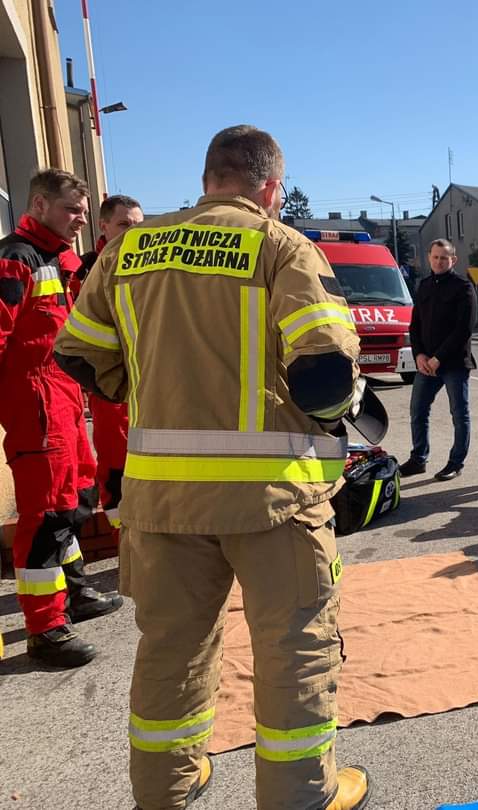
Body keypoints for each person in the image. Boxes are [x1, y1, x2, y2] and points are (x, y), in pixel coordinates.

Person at [54, 126, 371, 809]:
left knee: (172, 650)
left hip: (162, 500)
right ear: (271, 188)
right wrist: (345, 408)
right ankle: (299, 796)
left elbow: (78, 354)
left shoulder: (130, 248)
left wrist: (152, 388)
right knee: (293, 650)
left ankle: (165, 790)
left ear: (207, 180)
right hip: (273, 501)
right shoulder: (281, 246)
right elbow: (324, 375)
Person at [0, 168, 122, 669]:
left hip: (65, 402)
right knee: (46, 515)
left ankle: (73, 592)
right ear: (39, 205)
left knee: (76, 500)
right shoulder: (15, 260)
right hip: (35, 408)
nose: (80, 220)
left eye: (83, 211)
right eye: (72, 209)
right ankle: (45, 630)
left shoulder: (60, 260)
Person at [77, 195, 145, 528]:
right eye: (124, 224)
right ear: (103, 226)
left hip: (149, 382)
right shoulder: (87, 270)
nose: (132, 231)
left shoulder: (151, 267)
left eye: (138, 225)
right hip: (111, 387)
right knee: (117, 465)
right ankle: (124, 538)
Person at [400, 238, 477, 481]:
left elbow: (463, 329)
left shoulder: (463, 287)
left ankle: (456, 462)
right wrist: (419, 355)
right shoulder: (424, 286)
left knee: (459, 414)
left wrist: (438, 358)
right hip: (426, 364)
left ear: (453, 260)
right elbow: (415, 325)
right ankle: (418, 459)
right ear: (429, 257)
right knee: (418, 410)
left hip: (453, 364)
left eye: (444, 258)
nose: (439, 261)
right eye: (435, 257)